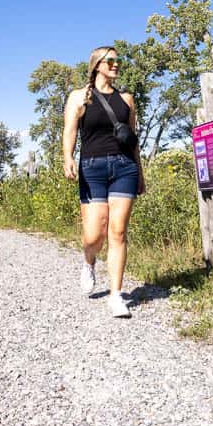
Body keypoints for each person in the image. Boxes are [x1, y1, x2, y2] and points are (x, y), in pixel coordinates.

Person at [62, 45, 145, 318]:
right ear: (97, 65)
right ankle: (89, 262)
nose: (116, 65)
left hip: (124, 168)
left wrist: (140, 174)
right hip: (92, 168)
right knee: (94, 235)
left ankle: (116, 295)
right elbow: (69, 131)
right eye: (110, 61)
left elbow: (133, 140)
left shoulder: (127, 99)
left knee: (118, 232)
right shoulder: (79, 97)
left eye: (118, 61)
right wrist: (68, 158)